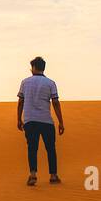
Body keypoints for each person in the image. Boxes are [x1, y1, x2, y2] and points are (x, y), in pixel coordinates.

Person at [16, 56, 64, 186]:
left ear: (34, 68)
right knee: (50, 148)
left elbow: (21, 101)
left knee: (32, 148)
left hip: (30, 120)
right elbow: (55, 102)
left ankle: (33, 174)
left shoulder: (25, 82)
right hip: (46, 121)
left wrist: (18, 119)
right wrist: (61, 121)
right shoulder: (50, 83)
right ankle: (53, 175)